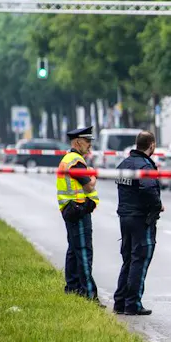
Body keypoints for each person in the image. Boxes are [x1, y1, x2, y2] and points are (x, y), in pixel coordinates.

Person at [113, 131, 163, 315]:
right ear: (151, 145)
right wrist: (157, 205)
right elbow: (148, 188)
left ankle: (120, 302)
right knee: (139, 260)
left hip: (124, 217)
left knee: (128, 260)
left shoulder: (124, 164)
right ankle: (132, 304)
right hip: (141, 219)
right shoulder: (145, 166)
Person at [57, 126, 100, 302]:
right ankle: (89, 295)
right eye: (87, 141)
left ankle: (72, 289)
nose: (90, 145)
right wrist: (93, 176)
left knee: (74, 251)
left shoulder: (70, 159)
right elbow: (89, 185)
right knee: (83, 252)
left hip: (72, 209)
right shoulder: (75, 161)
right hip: (78, 209)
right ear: (78, 142)